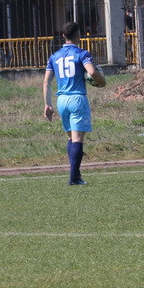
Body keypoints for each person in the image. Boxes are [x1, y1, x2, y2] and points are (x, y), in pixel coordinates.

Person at [43, 21, 105, 186]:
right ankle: (74, 177)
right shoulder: (82, 54)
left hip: (61, 99)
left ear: (63, 36)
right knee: (77, 138)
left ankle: (75, 175)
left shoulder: (54, 56)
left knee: (71, 137)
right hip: (77, 98)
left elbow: (46, 81)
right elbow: (91, 71)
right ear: (78, 35)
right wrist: (102, 81)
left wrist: (47, 104)